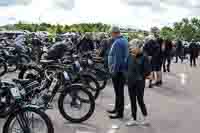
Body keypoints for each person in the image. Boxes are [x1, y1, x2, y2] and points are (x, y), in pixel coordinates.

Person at [126, 40, 151, 126]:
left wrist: (140, 77)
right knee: (132, 100)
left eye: (132, 46)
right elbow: (127, 66)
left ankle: (145, 118)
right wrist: (127, 76)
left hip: (139, 83)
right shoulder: (130, 55)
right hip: (130, 81)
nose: (130, 48)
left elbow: (147, 71)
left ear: (138, 47)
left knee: (140, 100)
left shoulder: (144, 57)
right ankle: (133, 119)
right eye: (130, 46)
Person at [107, 26, 129, 119]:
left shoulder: (118, 42)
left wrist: (114, 72)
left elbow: (117, 60)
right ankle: (117, 109)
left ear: (114, 33)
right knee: (118, 92)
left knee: (119, 93)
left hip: (118, 71)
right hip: (122, 70)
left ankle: (119, 113)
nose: (110, 35)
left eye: (111, 33)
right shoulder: (123, 40)